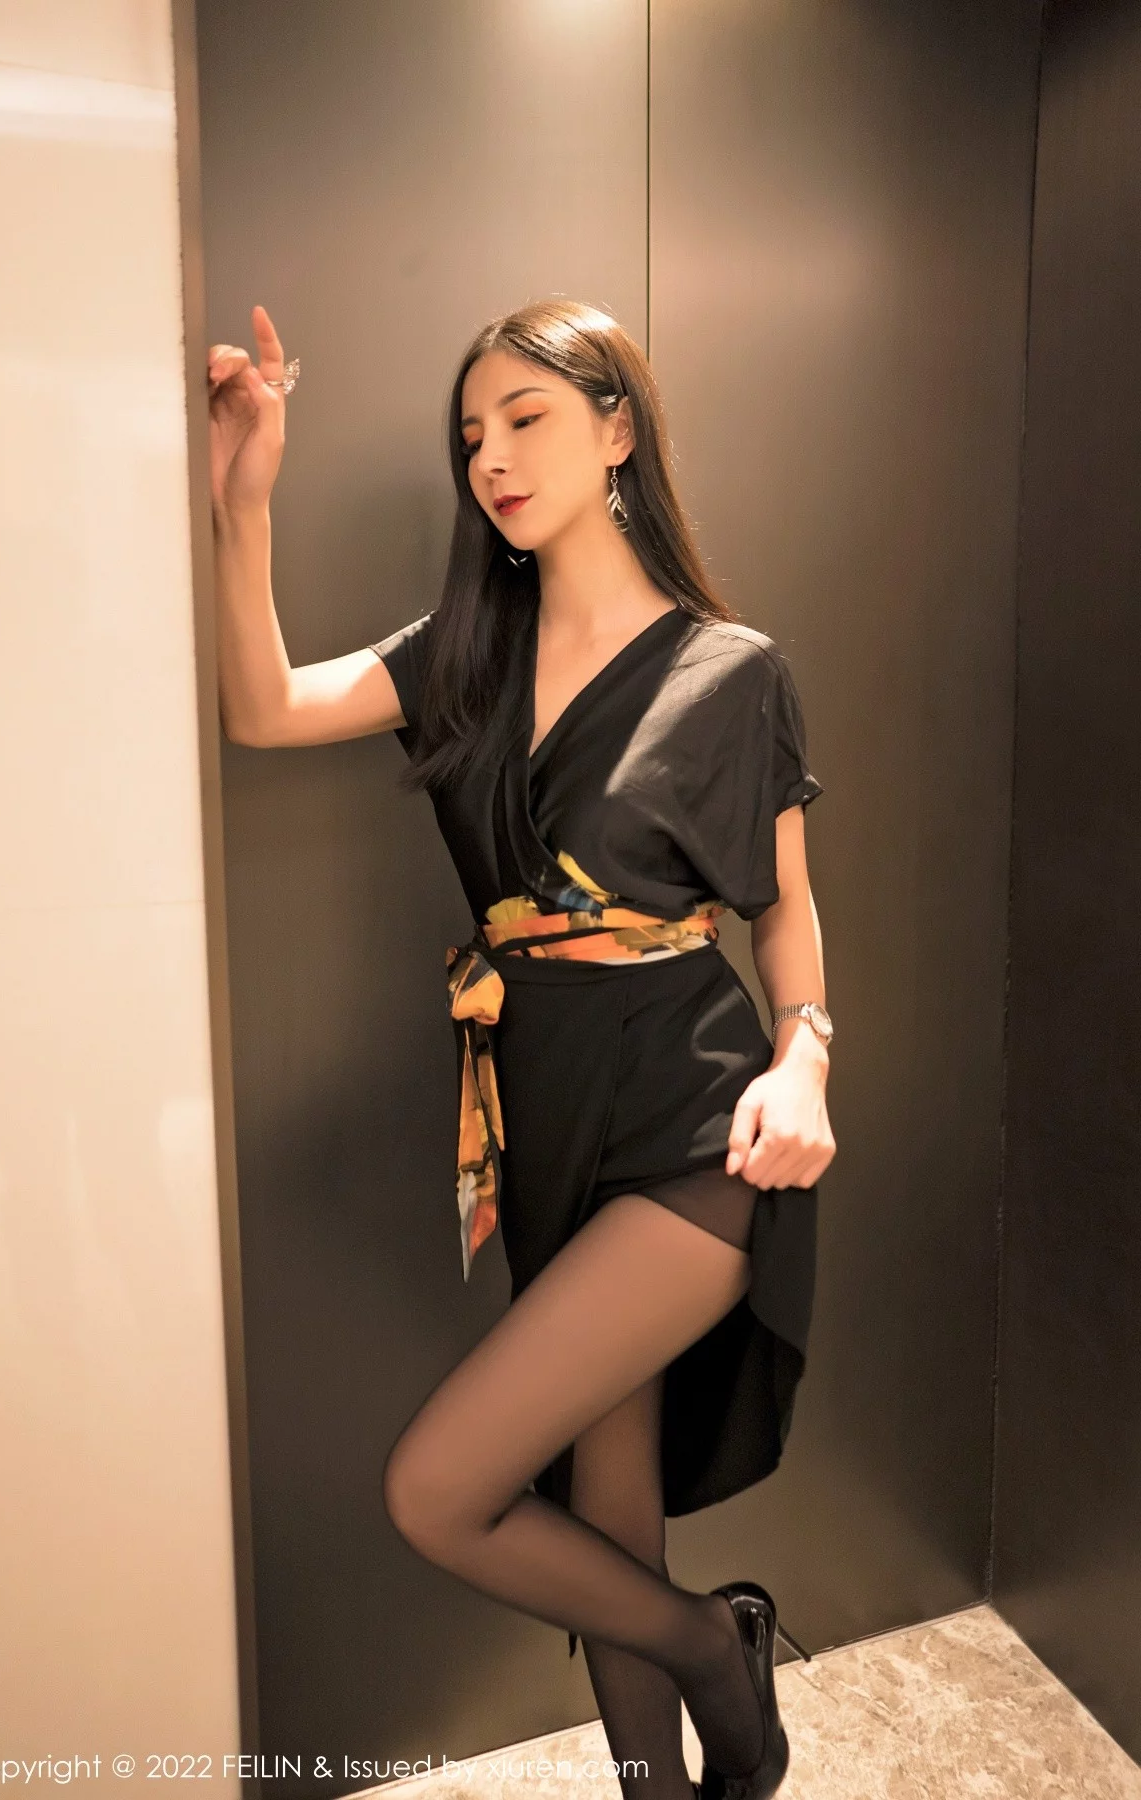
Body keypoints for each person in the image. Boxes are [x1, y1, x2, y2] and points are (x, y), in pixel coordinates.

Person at [208, 296, 836, 1800]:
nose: (490, 454)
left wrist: (806, 1059)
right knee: (609, 1517)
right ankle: (679, 1750)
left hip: (695, 1123)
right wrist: (245, 496)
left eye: (526, 418)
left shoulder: (730, 669)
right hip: (544, 1121)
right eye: (470, 434)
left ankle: (713, 1649)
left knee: (439, 1489)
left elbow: (787, 911)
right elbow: (264, 708)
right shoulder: (463, 655)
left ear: (618, 430)